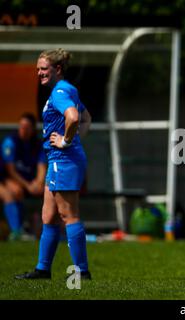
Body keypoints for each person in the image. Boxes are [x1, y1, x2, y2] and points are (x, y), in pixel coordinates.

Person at [15, 48, 92, 280]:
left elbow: (75, 117)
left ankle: (82, 272)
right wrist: (74, 140)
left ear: (58, 69)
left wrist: (66, 141)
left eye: (44, 69)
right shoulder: (67, 89)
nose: (39, 73)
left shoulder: (59, 91)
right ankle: (42, 269)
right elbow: (87, 118)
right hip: (59, 160)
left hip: (63, 160)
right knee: (48, 216)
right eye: (37, 69)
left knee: (69, 215)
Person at [0, 113, 47, 241]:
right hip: (6, 179)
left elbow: (42, 166)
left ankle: (51, 230)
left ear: (33, 129)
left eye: (26, 127)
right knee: (14, 192)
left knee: (50, 192)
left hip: (23, 181)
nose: (23, 129)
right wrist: (28, 185)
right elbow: (10, 171)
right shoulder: (10, 142)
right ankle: (16, 231)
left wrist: (38, 182)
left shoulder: (38, 145)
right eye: (21, 126)